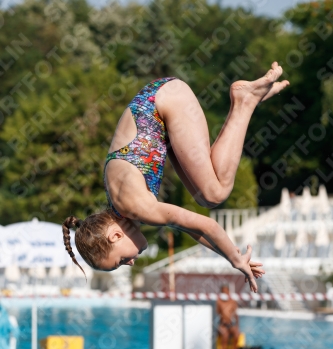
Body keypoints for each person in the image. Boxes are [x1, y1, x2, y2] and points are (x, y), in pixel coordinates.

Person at [62, 63, 289, 292]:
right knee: (205, 197)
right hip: (160, 107)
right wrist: (233, 255)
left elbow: (207, 224)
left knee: (215, 193)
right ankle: (245, 101)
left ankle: (244, 101)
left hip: (166, 103)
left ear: (115, 235)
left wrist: (236, 260)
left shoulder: (137, 207)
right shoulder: (120, 207)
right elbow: (191, 228)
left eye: (120, 260)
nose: (130, 263)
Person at [216, 284, 240, 349]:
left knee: (236, 333)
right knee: (225, 335)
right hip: (222, 324)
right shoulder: (219, 302)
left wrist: (237, 325)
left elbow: (236, 314)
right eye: (223, 292)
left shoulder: (233, 301)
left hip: (231, 324)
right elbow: (217, 314)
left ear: (229, 292)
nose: (225, 293)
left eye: (226, 291)